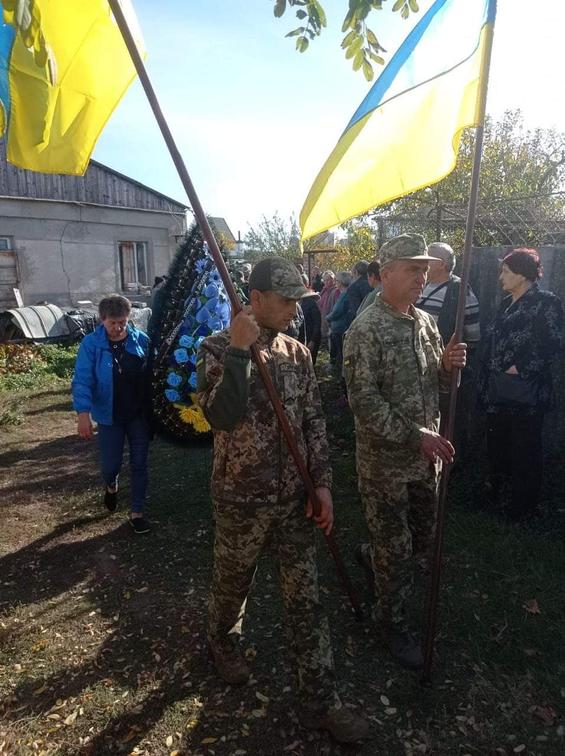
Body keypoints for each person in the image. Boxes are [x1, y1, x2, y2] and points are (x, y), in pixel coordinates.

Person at [196, 256, 368, 744]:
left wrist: (323, 484)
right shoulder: (215, 348)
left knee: (306, 601)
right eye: (287, 299)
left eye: (300, 299)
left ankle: (319, 700)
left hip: (295, 500)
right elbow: (221, 418)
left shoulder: (298, 352)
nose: (295, 308)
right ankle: (222, 641)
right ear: (256, 299)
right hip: (240, 498)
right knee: (233, 582)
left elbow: (313, 422)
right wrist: (237, 353)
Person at [343, 235, 466, 669]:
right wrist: (417, 436)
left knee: (421, 542)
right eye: (413, 269)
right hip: (385, 465)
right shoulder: (366, 329)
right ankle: (390, 624)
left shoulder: (426, 324)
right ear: (387, 270)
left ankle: (371, 555)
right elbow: (364, 402)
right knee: (396, 552)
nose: (423, 276)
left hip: (425, 460)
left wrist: (448, 369)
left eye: (425, 268)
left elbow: (436, 385)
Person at [478, 248, 564, 521]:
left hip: (526, 392)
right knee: (498, 444)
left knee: (525, 448)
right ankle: (496, 497)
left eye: (505, 271)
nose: (500, 276)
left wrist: (522, 369)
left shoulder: (545, 302)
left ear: (523, 274)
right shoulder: (506, 302)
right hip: (498, 389)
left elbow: (553, 343)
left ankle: (522, 506)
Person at [72, 294, 151, 534]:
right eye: (112, 323)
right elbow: (83, 380)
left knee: (139, 464)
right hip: (109, 416)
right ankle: (111, 485)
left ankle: (136, 512)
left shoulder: (141, 341)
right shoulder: (91, 345)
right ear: (102, 320)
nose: (118, 328)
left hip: (138, 415)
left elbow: (154, 371)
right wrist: (83, 413)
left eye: (122, 323)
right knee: (110, 465)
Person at [417, 242, 481, 442]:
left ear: (442, 264)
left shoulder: (460, 290)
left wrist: (452, 359)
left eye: (429, 258)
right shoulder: (422, 285)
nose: (424, 261)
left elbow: (473, 334)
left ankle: (449, 462)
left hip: (443, 370)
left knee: (444, 418)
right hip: (419, 365)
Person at [326, 271, 352, 373]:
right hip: (340, 328)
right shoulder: (344, 293)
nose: (335, 283)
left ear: (340, 282)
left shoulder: (344, 294)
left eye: (336, 281)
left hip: (340, 328)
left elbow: (337, 311)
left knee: (341, 354)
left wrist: (328, 318)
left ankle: (342, 374)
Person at [318, 270, 340, 351]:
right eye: (324, 280)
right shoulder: (323, 291)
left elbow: (336, 308)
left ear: (333, 280)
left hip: (330, 321)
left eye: (328, 280)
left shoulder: (336, 291)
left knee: (330, 344)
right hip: (322, 319)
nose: (326, 282)